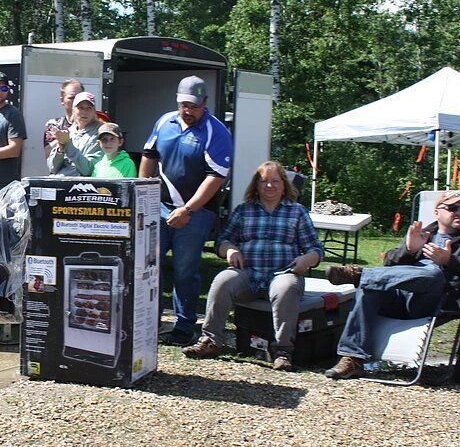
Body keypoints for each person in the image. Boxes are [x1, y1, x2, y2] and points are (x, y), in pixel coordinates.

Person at [324, 190, 460, 380]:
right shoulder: (422, 234)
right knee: (370, 288)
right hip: (399, 298)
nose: (459, 212)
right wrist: (408, 250)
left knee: (433, 273)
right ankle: (353, 359)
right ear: (437, 212)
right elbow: (389, 264)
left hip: (434, 301)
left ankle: (360, 274)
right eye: (452, 208)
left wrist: (450, 261)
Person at [180, 161, 323, 371]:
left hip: (283, 272)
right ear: (256, 185)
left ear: (284, 185)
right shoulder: (243, 210)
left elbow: (315, 249)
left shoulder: (297, 212)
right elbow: (223, 241)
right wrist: (230, 250)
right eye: (264, 181)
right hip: (248, 273)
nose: (269, 186)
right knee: (222, 281)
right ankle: (211, 341)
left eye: (275, 181)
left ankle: (283, 351)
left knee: (285, 288)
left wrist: (306, 260)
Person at [138, 75, 233, 345]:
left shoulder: (216, 132)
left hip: (195, 213)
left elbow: (215, 176)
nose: (188, 111)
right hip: (159, 207)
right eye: (183, 105)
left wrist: (189, 210)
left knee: (185, 269)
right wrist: (144, 193)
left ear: (205, 103)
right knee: (148, 265)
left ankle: (184, 324)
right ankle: (148, 319)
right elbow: (149, 156)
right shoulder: (164, 121)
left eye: (193, 106)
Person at [48, 91, 103, 176]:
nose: (85, 112)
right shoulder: (69, 130)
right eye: (81, 108)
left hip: (80, 184)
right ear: (73, 110)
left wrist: (68, 144)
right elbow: (52, 168)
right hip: (58, 179)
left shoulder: (100, 132)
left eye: (89, 108)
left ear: (94, 111)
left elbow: (87, 169)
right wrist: (60, 148)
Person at [43, 78, 83, 148]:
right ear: (62, 100)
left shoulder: (95, 124)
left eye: (79, 97)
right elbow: (48, 153)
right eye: (72, 98)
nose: (76, 101)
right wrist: (64, 136)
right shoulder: (54, 125)